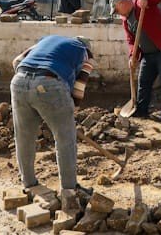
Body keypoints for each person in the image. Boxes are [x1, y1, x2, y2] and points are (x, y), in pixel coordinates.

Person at [10, 35, 96, 199]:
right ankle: (69, 190)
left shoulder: (45, 41)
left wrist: (28, 88)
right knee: (65, 139)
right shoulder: (85, 53)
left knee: (23, 136)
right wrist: (69, 113)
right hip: (50, 83)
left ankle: (29, 184)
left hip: (18, 81)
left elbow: (16, 62)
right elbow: (78, 90)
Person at [110, 0, 161, 123]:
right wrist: (132, 56)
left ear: (123, 3)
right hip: (148, 54)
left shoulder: (140, 4)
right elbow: (131, 41)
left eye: (117, 10)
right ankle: (141, 111)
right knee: (143, 82)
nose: (117, 13)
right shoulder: (126, 21)